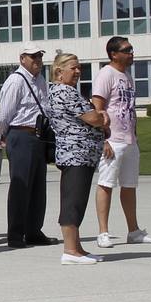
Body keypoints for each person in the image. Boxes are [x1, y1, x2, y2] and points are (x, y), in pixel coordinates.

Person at [93, 36, 151, 247]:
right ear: (114, 54)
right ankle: (103, 232)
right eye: (127, 50)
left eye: (131, 49)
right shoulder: (106, 74)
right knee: (106, 184)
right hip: (112, 140)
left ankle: (134, 231)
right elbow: (98, 108)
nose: (131, 53)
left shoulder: (127, 76)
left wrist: (135, 137)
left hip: (130, 140)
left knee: (129, 186)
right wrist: (103, 139)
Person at [47, 52, 106, 264]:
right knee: (73, 200)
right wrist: (102, 117)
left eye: (79, 67)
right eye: (73, 68)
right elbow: (93, 118)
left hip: (79, 154)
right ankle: (70, 251)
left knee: (78, 199)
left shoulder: (64, 91)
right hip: (76, 154)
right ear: (59, 72)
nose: (78, 71)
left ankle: (77, 248)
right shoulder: (65, 92)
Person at [0, 44, 54, 248]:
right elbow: (4, 114)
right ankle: (15, 233)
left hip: (38, 136)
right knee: (21, 186)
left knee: (38, 187)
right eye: (33, 56)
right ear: (22, 59)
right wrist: (3, 135)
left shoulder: (40, 80)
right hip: (20, 134)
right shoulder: (16, 81)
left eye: (39, 55)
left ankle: (33, 231)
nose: (37, 59)